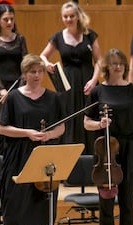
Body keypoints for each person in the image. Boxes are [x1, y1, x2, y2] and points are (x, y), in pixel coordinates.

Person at [0, 54, 65, 225]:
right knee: (13, 204)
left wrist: (48, 136)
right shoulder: (14, 97)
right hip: (17, 156)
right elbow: (1, 128)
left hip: (42, 157)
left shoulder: (53, 98)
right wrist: (27, 133)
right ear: (24, 74)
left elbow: (61, 127)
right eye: (32, 71)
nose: (36, 75)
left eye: (40, 71)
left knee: (40, 204)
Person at [84, 48, 133, 225]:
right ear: (107, 67)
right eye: (113, 63)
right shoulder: (98, 92)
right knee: (106, 202)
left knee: (127, 200)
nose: (117, 66)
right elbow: (86, 122)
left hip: (128, 148)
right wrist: (99, 124)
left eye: (121, 63)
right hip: (105, 149)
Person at [41, 1, 102, 155]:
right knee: (69, 120)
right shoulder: (58, 37)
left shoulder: (90, 35)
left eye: (71, 16)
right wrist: (47, 64)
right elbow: (42, 56)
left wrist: (94, 81)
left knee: (88, 118)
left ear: (78, 16)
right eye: (65, 17)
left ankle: (91, 162)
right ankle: (69, 165)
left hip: (88, 82)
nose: (69, 19)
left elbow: (100, 61)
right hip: (67, 86)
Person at [0, 4, 27, 156]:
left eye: (12, 19)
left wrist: (17, 92)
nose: (9, 22)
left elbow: (25, 66)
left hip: (16, 90)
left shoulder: (20, 39)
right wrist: (1, 88)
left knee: (14, 127)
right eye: (5, 19)